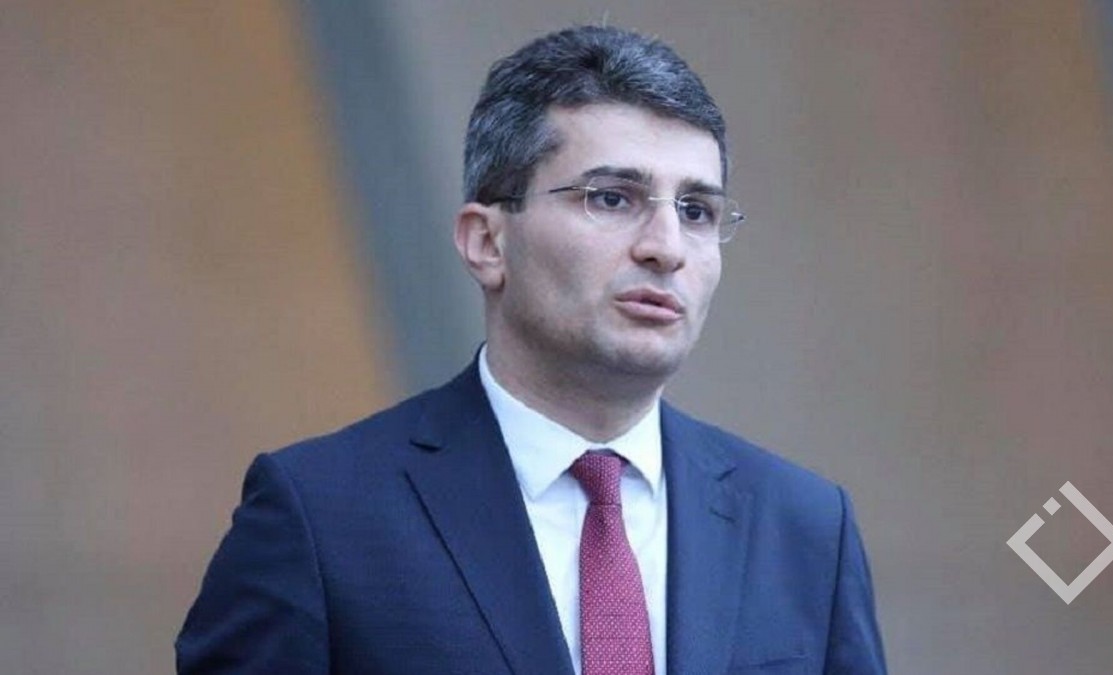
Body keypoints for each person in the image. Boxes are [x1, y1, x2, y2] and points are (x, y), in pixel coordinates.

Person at [177, 25, 887, 674]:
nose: (666, 248)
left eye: (696, 210)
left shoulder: (803, 526)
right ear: (487, 242)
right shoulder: (320, 512)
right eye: (612, 198)